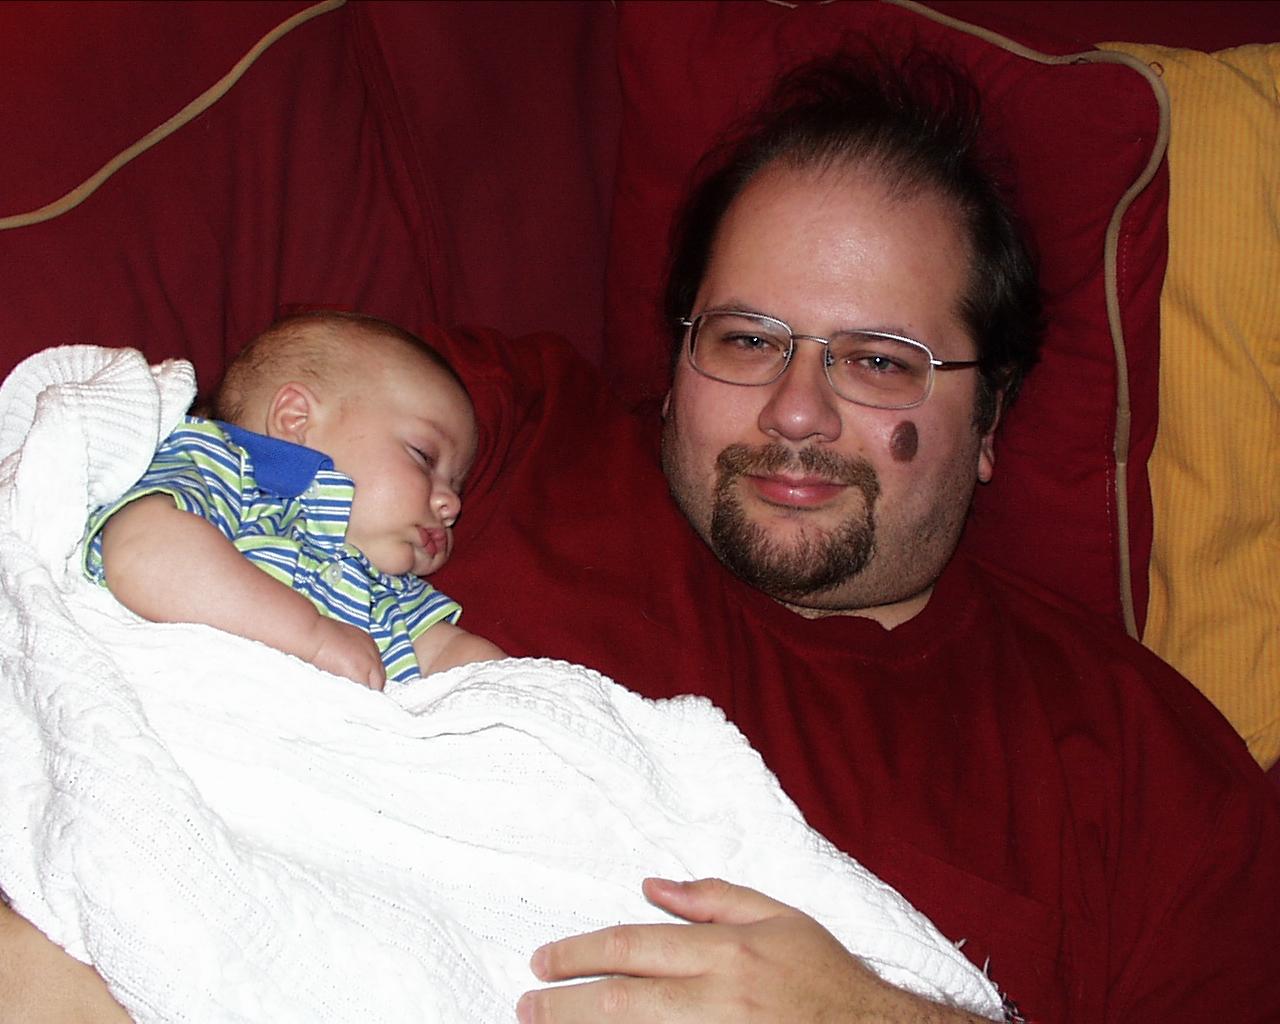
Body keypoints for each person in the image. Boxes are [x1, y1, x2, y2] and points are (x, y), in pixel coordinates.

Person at [5, 50, 1280, 1024]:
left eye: (878, 361)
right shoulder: (501, 432)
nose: (794, 410)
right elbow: (171, 482)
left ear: (988, 419)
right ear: (675, 362)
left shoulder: (1138, 763)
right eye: (746, 339)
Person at [83, 309, 504, 689]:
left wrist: (514, 688)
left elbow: (449, 656)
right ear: (296, 420)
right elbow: (143, 553)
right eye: (424, 457)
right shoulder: (223, 470)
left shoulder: (386, 591)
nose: (451, 505)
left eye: (457, 486)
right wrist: (312, 637)